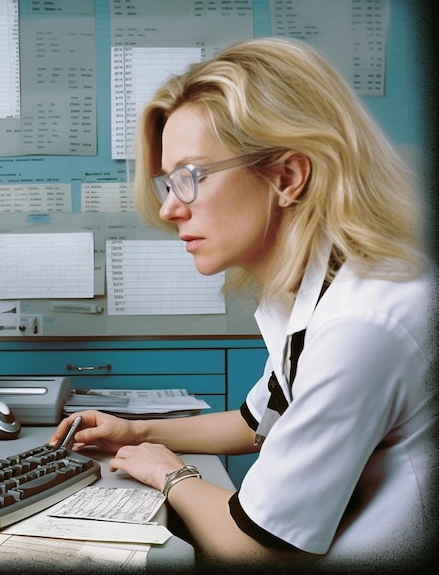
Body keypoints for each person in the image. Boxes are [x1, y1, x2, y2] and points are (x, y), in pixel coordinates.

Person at [49, 38, 436, 569]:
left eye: (189, 178)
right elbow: (258, 423)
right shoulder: (323, 292)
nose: (167, 209)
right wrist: (135, 431)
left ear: (286, 177)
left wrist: (170, 473)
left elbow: (253, 550)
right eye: (167, 182)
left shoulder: (362, 323)